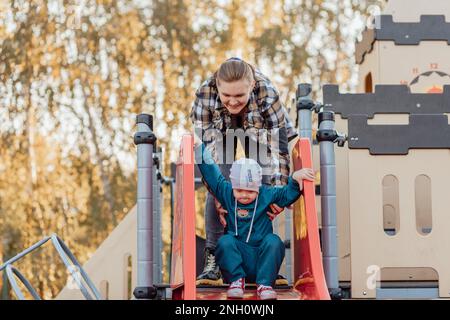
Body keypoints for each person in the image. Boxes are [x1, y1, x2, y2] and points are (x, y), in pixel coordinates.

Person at [191, 57, 298, 285]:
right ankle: (213, 257)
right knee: (219, 185)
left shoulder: (267, 95)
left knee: (264, 181)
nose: (232, 102)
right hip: (221, 134)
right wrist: (218, 193)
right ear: (217, 87)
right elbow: (209, 156)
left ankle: (263, 258)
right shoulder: (204, 97)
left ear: (251, 86)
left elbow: (278, 149)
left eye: (239, 95)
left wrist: (278, 192)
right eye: (226, 95)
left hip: (259, 130)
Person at [194, 142, 314, 299]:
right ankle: (236, 281)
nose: (244, 195)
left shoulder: (266, 194)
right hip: (237, 259)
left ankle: (265, 284)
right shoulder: (227, 192)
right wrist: (198, 150)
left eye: (250, 191)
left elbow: (286, 194)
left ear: (258, 187)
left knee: (274, 241)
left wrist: (295, 178)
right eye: (239, 190)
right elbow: (212, 174)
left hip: (260, 259)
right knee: (224, 242)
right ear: (232, 186)